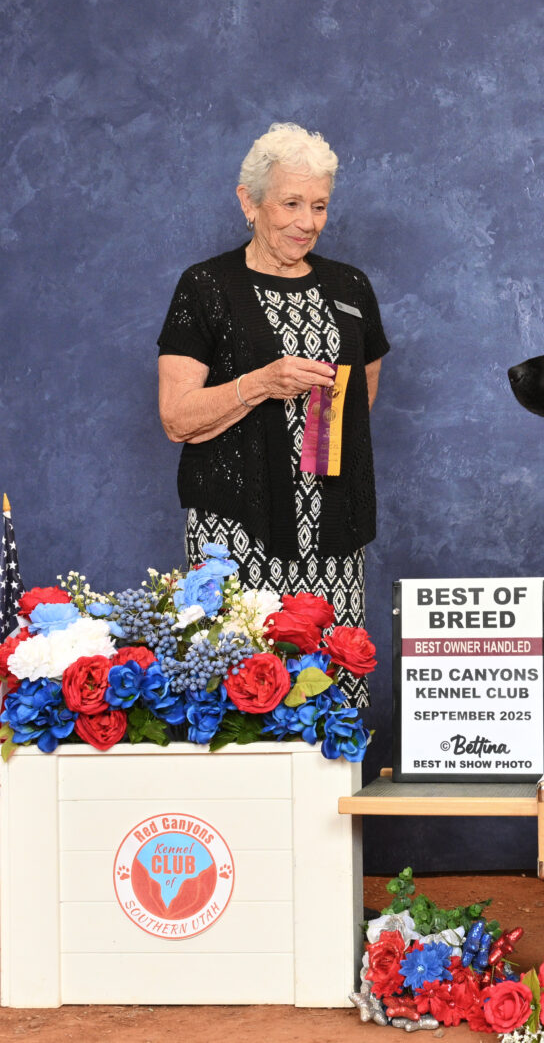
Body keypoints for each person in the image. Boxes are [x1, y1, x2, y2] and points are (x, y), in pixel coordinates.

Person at [157, 123, 389, 705]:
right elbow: (176, 417)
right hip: (235, 531)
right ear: (248, 201)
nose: (306, 222)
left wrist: (319, 450)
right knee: (240, 700)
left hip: (332, 533)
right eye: (290, 204)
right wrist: (261, 383)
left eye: (319, 206)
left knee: (330, 699)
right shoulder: (206, 286)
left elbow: (360, 394)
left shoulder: (350, 286)